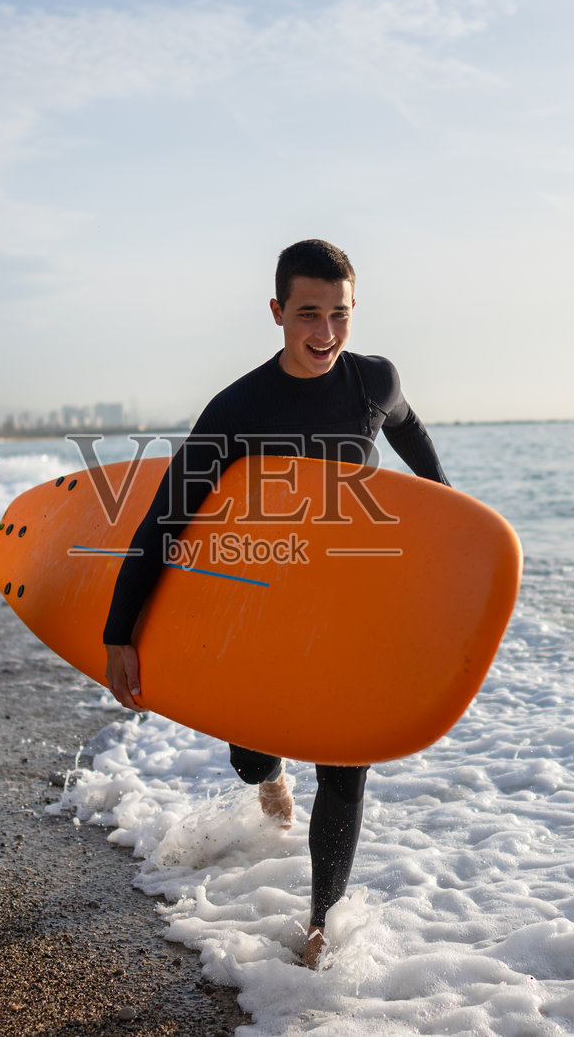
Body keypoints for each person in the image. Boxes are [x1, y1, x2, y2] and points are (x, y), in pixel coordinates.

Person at [102, 239, 447, 968]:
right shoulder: (239, 407)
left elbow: (411, 434)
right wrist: (118, 632)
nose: (325, 332)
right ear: (277, 312)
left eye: (340, 314)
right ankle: (269, 777)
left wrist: (447, 513)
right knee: (250, 754)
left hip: (350, 604)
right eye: (308, 314)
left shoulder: (374, 380)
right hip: (263, 606)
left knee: (345, 761)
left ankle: (321, 923)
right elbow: (166, 518)